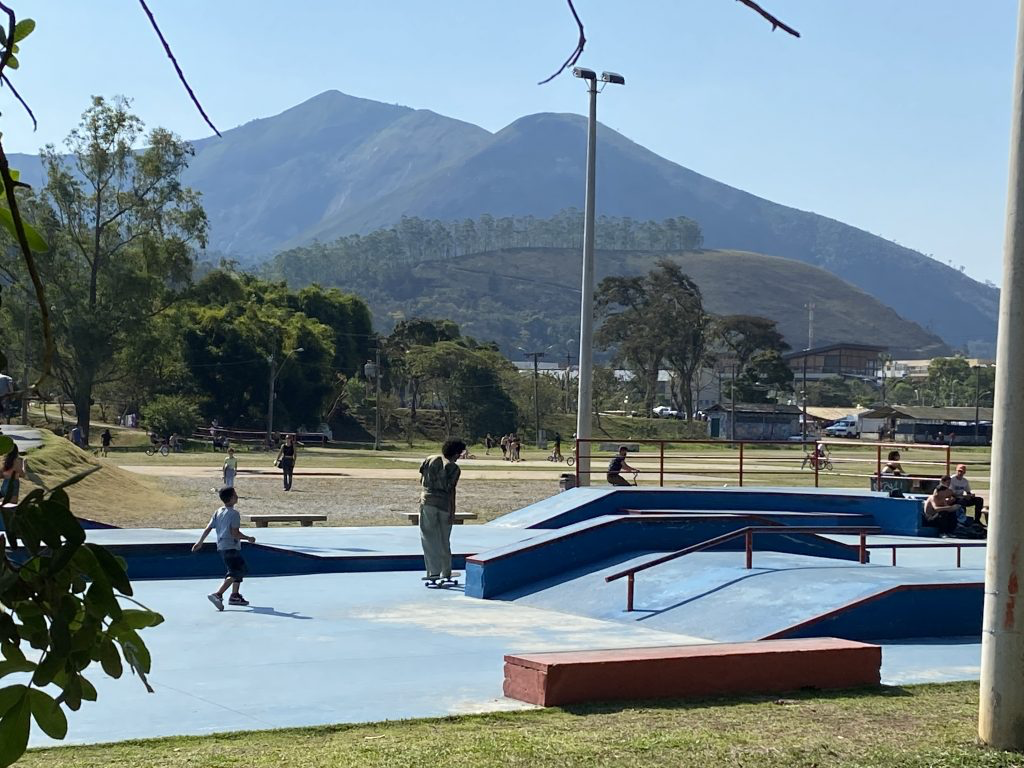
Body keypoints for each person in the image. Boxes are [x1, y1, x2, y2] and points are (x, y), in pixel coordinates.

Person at [192, 486, 255, 610]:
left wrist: (200, 542)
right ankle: (218, 594)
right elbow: (234, 533)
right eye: (235, 495)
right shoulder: (234, 514)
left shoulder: (218, 511)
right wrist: (248, 538)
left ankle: (235, 596)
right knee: (237, 571)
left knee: (238, 569)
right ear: (231, 498)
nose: (237, 496)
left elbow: (209, 527)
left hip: (221, 546)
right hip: (231, 546)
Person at [418, 439, 465, 582]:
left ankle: (433, 571)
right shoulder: (455, 468)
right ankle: (446, 571)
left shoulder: (430, 459)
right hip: (445, 505)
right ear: (456, 454)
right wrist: (453, 512)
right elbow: (452, 491)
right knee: (444, 539)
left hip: (428, 502)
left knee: (429, 537)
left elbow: (421, 480)